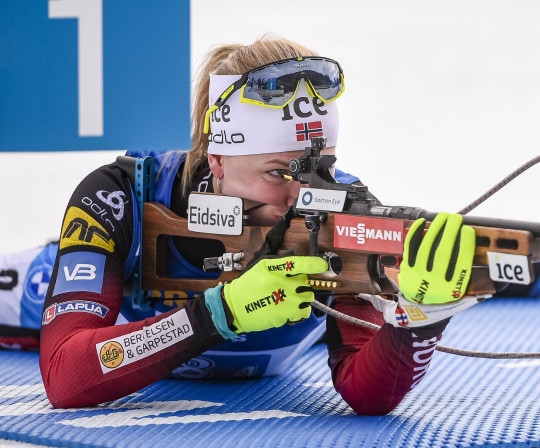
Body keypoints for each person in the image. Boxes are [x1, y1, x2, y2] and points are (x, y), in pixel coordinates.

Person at [4, 36, 480, 415]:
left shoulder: (344, 209)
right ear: (218, 158)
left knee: (475, 267)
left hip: (270, 353)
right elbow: (65, 376)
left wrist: (419, 318)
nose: (304, 196)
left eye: (322, 168)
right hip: (82, 300)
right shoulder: (121, 195)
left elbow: (369, 396)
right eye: (279, 173)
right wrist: (221, 313)